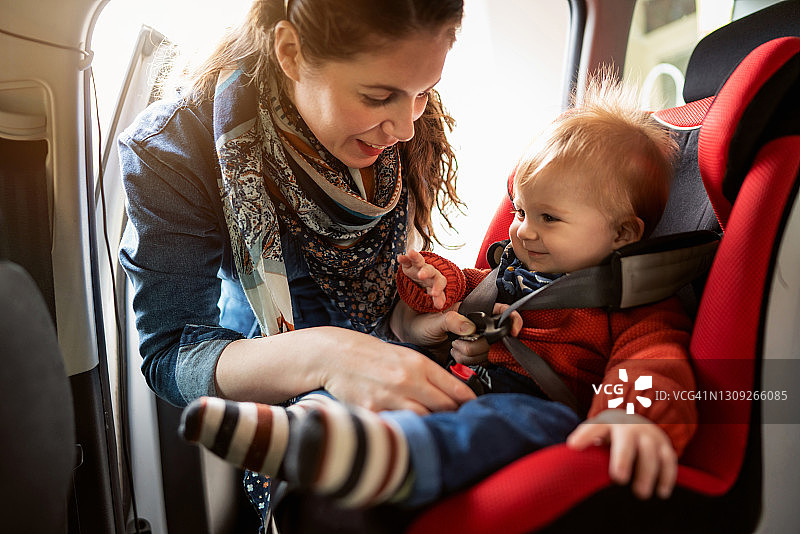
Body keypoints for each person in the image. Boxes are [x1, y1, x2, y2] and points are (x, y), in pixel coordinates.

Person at [179, 75, 699, 510]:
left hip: (542, 408)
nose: (522, 231)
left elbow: (650, 361)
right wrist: (434, 282)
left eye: (548, 218)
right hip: (461, 384)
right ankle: (312, 428)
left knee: (513, 422)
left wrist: (629, 414)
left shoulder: (631, 299)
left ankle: (393, 462)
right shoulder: (518, 270)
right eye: (519, 211)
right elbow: (469, 288)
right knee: (392, 387)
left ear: (624, 233)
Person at [118, 0, 480, 527]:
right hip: (280, 383)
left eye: (424, 93)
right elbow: (171, 356)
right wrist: (327, 355)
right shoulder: (174, 147)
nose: (405, 126)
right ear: (290, 51)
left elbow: (391, 264)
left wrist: (412, 322)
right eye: (378, 97)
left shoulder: (398, 98)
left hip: (396, 362)